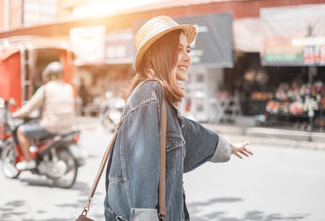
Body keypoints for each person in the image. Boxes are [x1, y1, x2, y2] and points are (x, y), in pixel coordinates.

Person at [103, 16, 253, 221]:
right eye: (178, 49)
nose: (186, 57)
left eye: (188, 50)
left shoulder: (161, 101)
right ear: (160, 53)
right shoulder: (149, 94)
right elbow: (142, 168)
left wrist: (227, 147)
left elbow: (186, 133)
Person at [13, 61, 75, 170]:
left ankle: (29, 161)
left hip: (51, 126)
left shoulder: (46, 88)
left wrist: (16, 114)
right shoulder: (69, 87)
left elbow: (29, 108)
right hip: (68, 127)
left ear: (49, 75)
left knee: (21, 131)